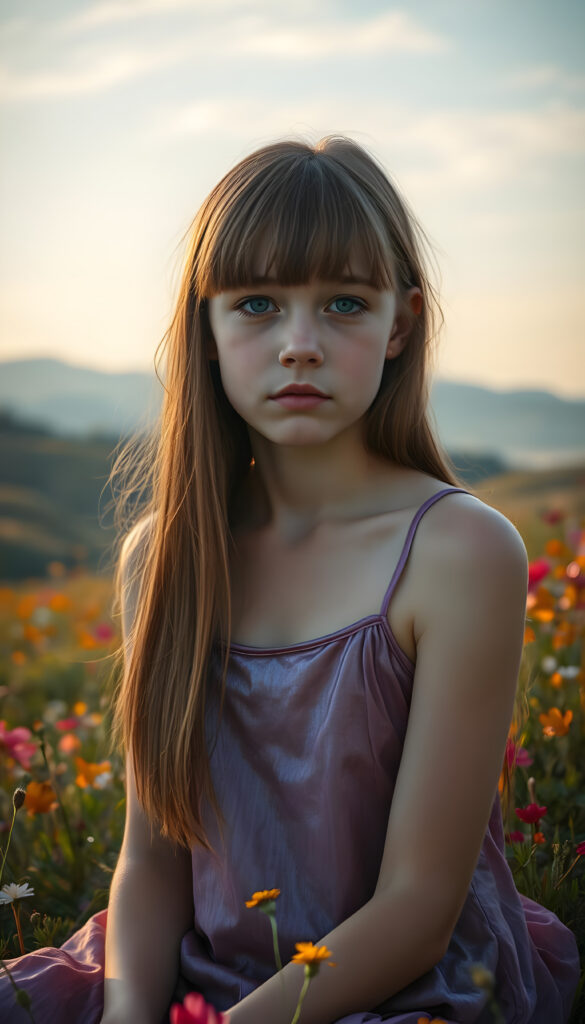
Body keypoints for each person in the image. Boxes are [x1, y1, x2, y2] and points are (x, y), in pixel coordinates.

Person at [0, 136, 580, 1024]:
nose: (299, 344)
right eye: (258, 304)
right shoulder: (165, 557)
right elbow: (153, 863)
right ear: (207, 324)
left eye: (343, 303)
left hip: (393, 988)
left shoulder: (458, 550)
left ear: (401, 323)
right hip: (183, 978)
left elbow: (418, 911)